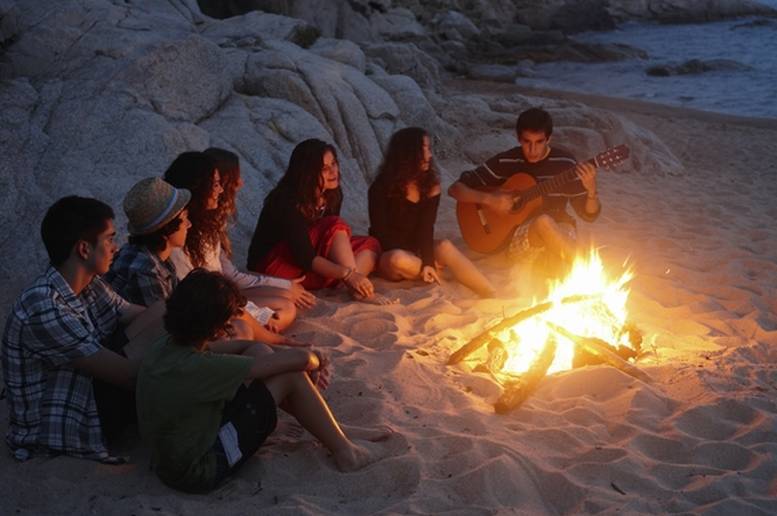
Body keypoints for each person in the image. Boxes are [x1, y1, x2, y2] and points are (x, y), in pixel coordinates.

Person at [136, 269, 392, 493]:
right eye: (226, 325)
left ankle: (335, 429)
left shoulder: (167, 345)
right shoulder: (199, 366)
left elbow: (245, 350)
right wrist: (315, 358)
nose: (228, 330)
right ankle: (347, 452)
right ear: (214, 328)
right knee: (290, 375)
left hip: (173, 455)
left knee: (261, 352)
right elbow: (300, 362)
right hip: (201, 468)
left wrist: (285, 355)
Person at [2, 196, 158, 463]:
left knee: (167, 313)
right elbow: (130, 377)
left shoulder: (90, 284)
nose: (115, 247)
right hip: (70, 422)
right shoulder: (43, 306)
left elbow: (138, 315)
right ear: (84, 249)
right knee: (171, 370)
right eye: (109, 239)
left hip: (92, 389)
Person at [163, 152, 299, 344]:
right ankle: (263, 334)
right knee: (247, 325)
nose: (221, 190)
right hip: (206, 306)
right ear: (198, 188)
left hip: (219, 296)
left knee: (286, 304)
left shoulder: (207, 225)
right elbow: (192, 299)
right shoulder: (177, 238)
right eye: (216, 184)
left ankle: (264, 332)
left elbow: (227, 275)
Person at [247, 139, 393, 305]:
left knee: (370, 244)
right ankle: (354, 285)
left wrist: (343, 270)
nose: (333, 171)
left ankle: (347, 281)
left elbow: (329, 244)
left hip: (309, 261)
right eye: (324, 168)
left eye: (334, 164)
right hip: (276, 265)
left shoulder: (332, 194)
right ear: (307, 173)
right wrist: (348, 274)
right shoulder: (286, 201)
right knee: (334, 224)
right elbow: (305, 256)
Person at [448, 107, 600, 266]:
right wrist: (490, 200)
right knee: (543, 222)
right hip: (521, 238)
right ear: (519, 138)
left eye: (539, 142)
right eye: (527, 142)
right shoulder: (507, 161)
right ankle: (580, 271)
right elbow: (455, 189)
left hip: (560, 228)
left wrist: (591, 190)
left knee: (556, 236)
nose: (532, 150)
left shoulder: (566, 164)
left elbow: (589, 215)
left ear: (548, 139)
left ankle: (569, 268)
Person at [369, 127, 495, 297]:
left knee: (445, 246)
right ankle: (440, 274)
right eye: (424, 149)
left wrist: (427, 259)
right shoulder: (380, 187)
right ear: (408, 154)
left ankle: (489, 291)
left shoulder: (430, 186)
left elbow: (426, 228)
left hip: (417, 251)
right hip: (389, 253)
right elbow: (380, 232)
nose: (429, 155)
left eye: (429, 149)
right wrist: (424, 262)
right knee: (397, 259)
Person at [204, 147, 315, 311]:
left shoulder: (215, 220)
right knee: (285, 302)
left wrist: (283, 285)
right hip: (211, 295)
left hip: (222, 288)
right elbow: (230, 276)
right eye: (236, 178)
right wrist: (283, 285)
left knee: (285, 297)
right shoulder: (203, 225)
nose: (240, 183)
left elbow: (231, 273)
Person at [105, 177, 192, 307]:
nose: (189, 224)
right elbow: (166, 322)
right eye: (185, 218)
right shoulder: (144, 272)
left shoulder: (158, 258)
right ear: (167, 228)